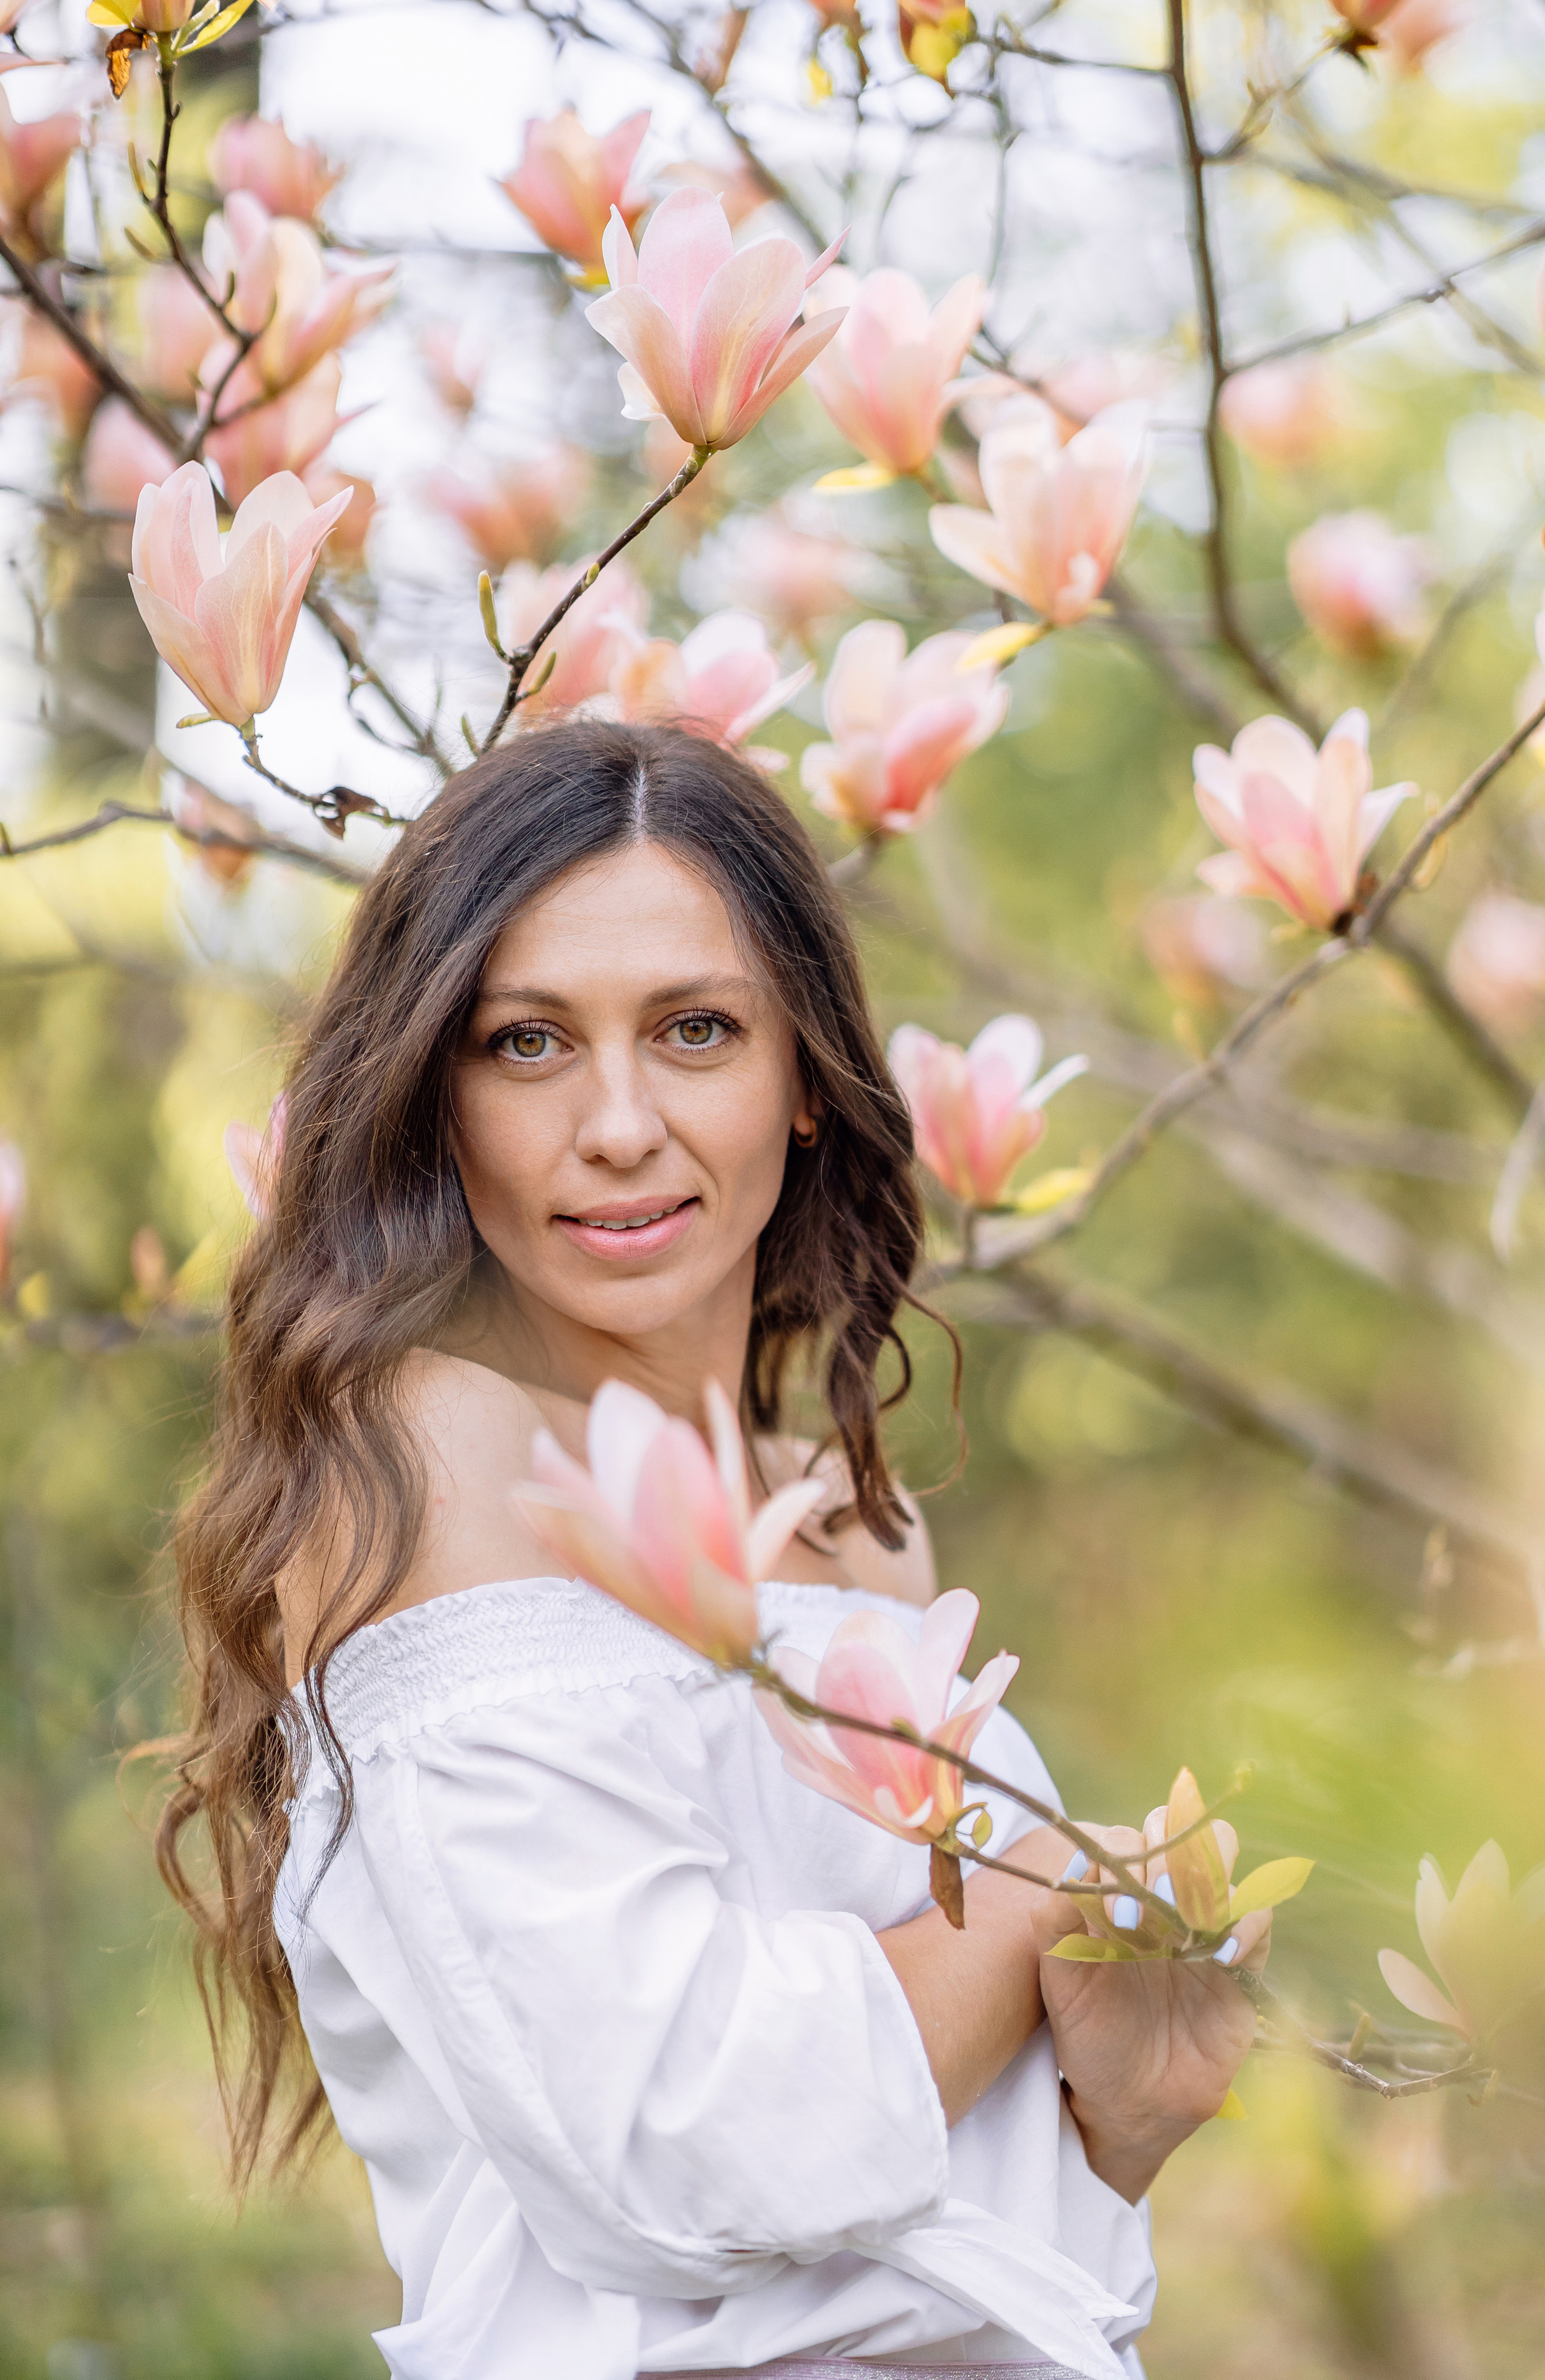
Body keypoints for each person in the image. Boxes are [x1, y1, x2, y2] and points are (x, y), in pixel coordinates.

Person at [156, 721, 1265, 2380]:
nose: (617, 1124)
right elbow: (689, 2145)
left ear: (804, 1081)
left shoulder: (854, 1520)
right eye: (527, 1043)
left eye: (695, 1031)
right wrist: (1044, 1887)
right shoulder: (424, 1463)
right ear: (435, 1103)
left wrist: (1126, 2112)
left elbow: (959, 2213)